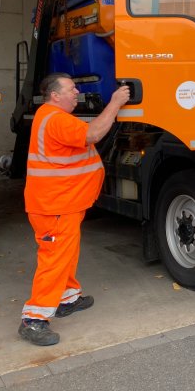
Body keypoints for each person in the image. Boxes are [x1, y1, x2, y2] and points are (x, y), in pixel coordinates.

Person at [18, 72, 130, 346]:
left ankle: (67, 298)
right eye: (71, 89)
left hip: (63, 203)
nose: (76, 92)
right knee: (54, 258)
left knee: (66, 252)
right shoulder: (55, 119)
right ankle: (33, 319)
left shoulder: (53, 116)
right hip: (55, 204)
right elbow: (93, 134)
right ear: (55, 95)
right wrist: (115, 103)